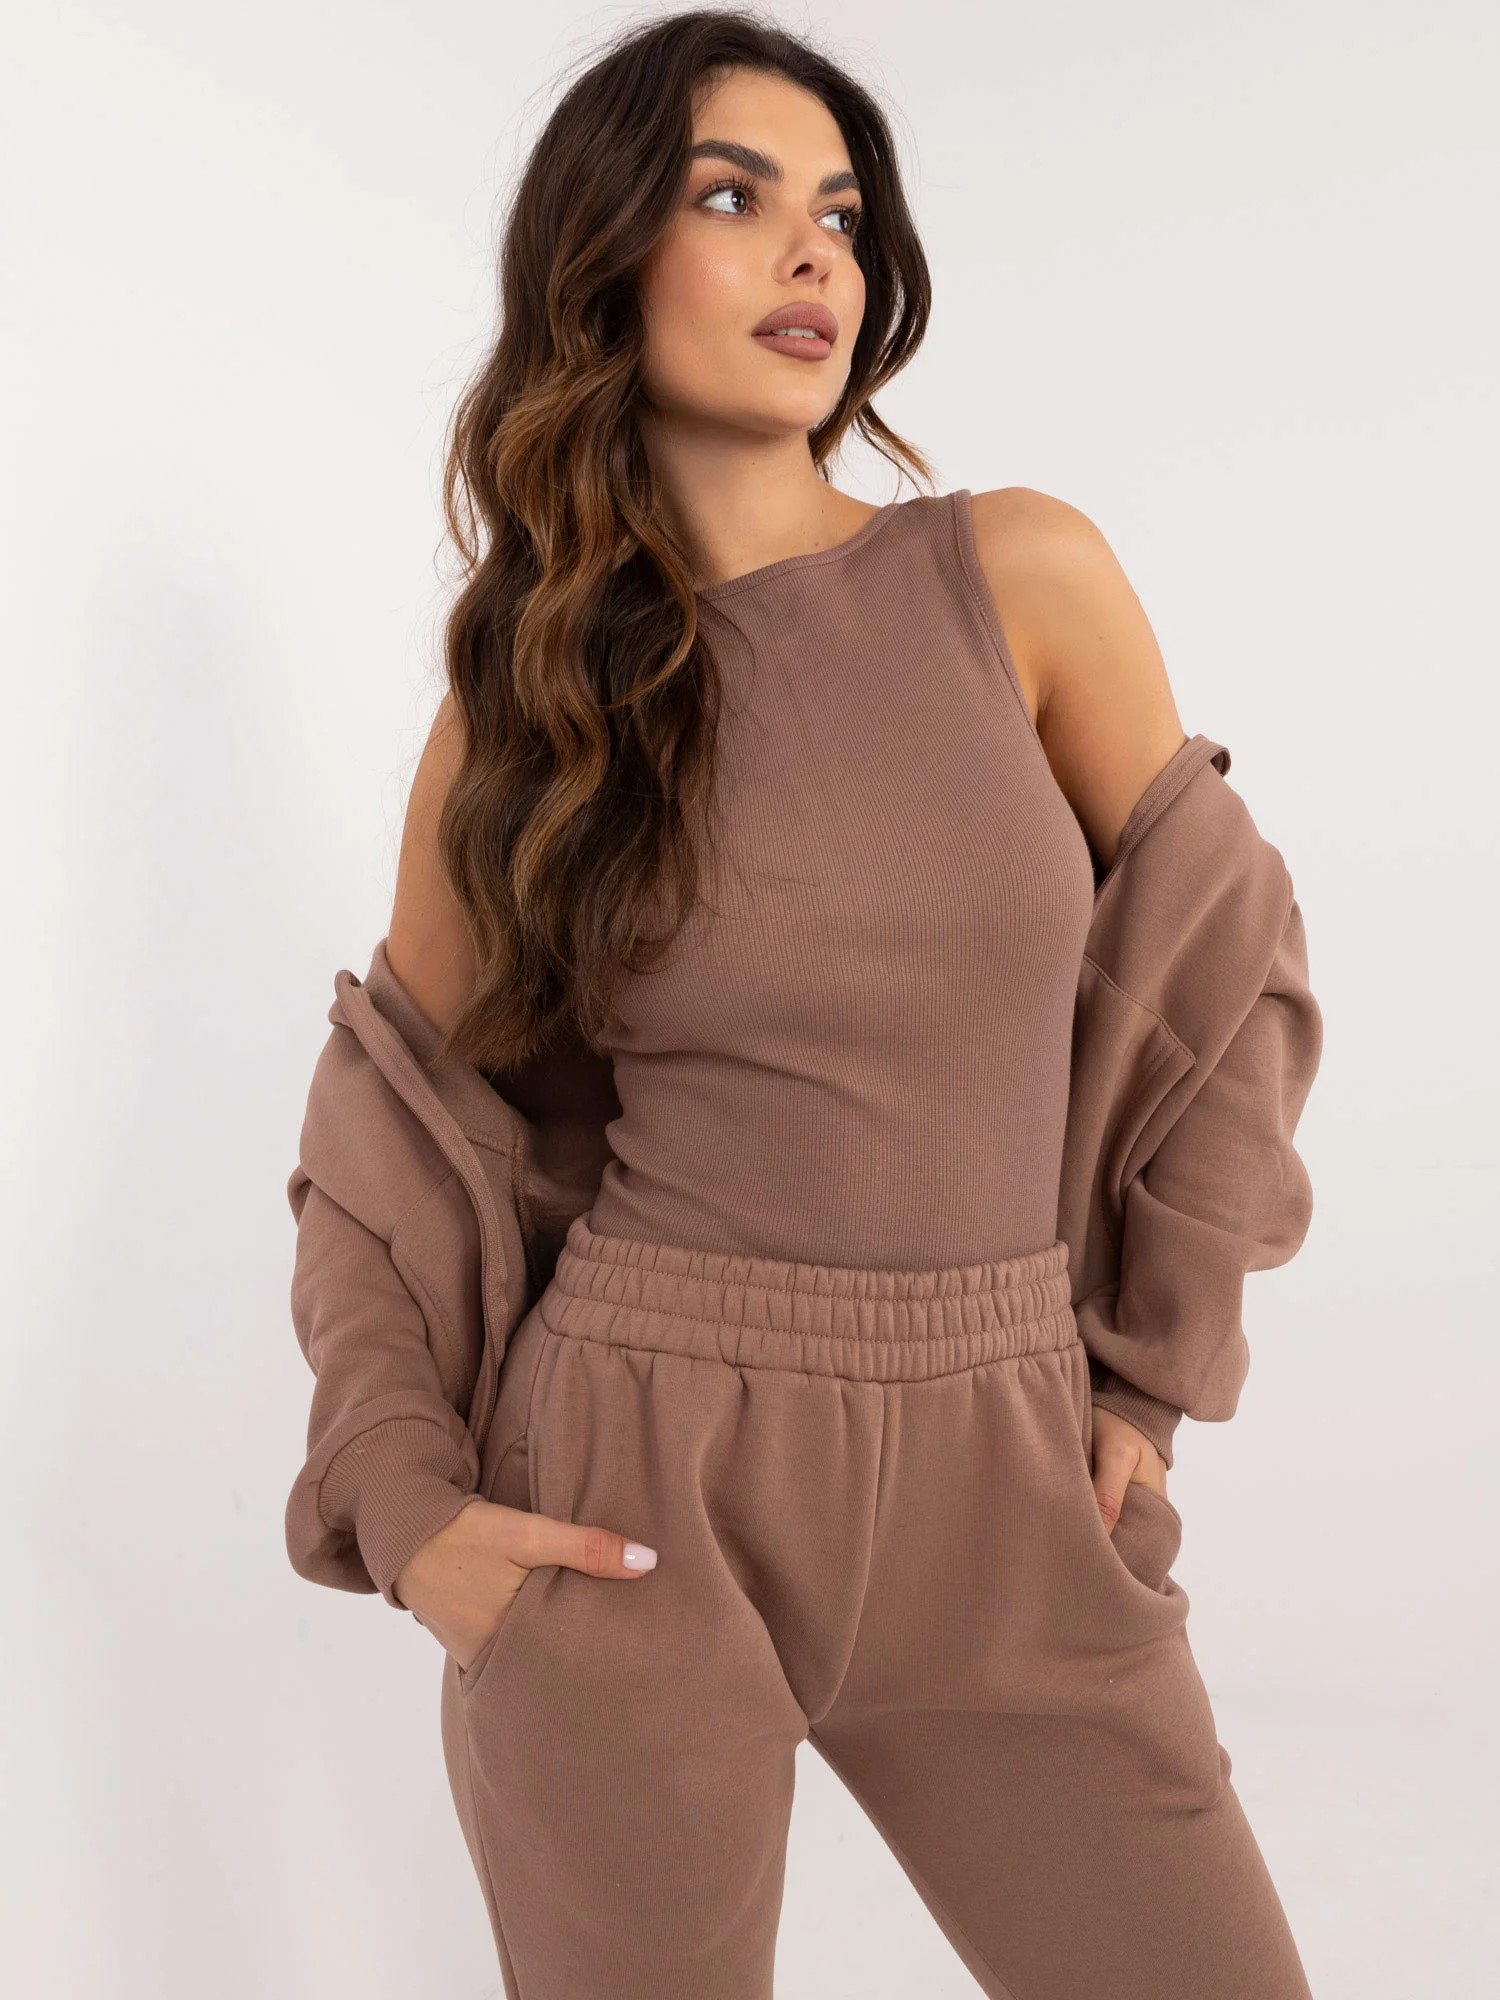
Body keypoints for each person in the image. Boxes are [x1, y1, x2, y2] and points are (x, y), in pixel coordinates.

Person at [283, 13, 1323, 1997]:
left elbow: (1226, 972)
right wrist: (409, 1510)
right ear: (604, 257)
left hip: (1012, 1472)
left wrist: (1140, 1386)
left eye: (839, 214)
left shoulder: (1017, 577)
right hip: (637, 1489)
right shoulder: (528, 713)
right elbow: (388, 1145)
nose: (810, 255)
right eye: (733, 197)